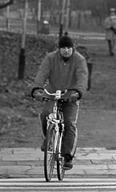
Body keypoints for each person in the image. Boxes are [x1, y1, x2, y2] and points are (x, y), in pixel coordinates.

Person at [32, 34, 89, 169]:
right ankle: (49, 138)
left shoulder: (79, 60)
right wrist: (37, 89)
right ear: (59, 49)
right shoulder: (50, 58)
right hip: (52, 93)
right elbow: (42, 73)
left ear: (73, 48)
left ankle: (67, 155)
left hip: (71, 95)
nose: (66, 50)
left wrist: (78, 92)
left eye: (69, 47)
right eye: (63, 47)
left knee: (69, 123)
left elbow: (82, 77)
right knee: (45, 114)